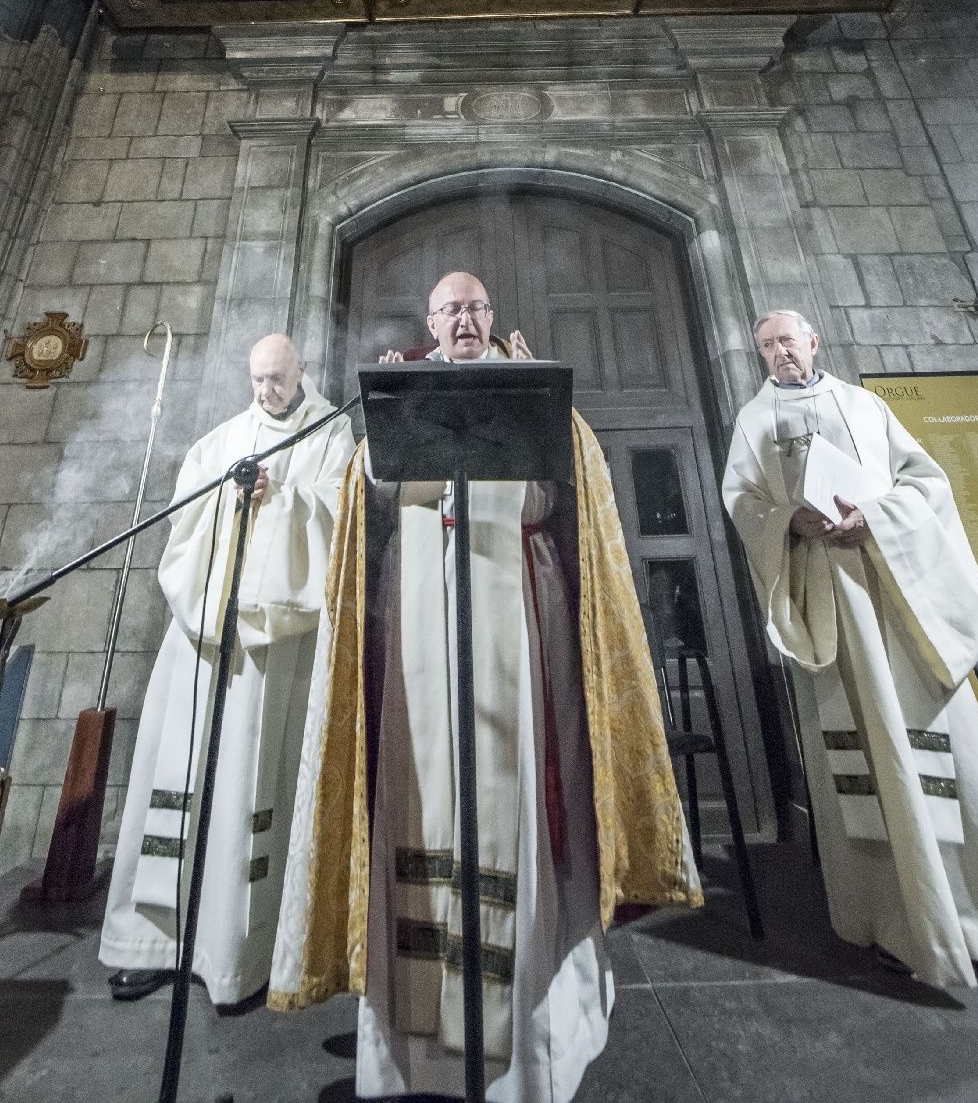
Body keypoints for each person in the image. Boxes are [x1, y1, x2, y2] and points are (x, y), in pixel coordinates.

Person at [270, 271, 700, 1102]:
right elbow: (373, 496)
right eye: (448, 310)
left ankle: (529, 1030)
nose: (462, 320)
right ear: (430, 325)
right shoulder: (404, 389)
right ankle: (415, 1038)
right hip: (420, 617)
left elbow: (571, 498)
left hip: (515, 615)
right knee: (419, 786)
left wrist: (542, 419)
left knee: (513, 794)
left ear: (492, 320)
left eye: (474, 308)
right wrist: (391, 416)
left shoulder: (537, 393)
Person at [722, 309, 978, 990]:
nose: (778, 352)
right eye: (765, 345)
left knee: (947, 757)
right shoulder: (752, 425)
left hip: (900, 600)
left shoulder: (866, 408)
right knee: (865, 763)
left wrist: (873, 515)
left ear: (813, 342)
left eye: (787, 339)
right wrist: (793, 521)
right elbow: (745, 506)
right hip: (831, 611)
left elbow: (927, 485)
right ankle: (898, 928)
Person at [98, 333, 355, 1009]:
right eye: (256, 379)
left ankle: (244, 954)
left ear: (302, 370)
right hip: (205, 638)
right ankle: (152, 943)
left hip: (277, 644)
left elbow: (340, 514)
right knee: (177, 780)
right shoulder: (220, 443)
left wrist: (282, 500)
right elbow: (183, 531)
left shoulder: (333, 434)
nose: (264, 392)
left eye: (275, 378)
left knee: (251, 783)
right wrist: (231, 500)